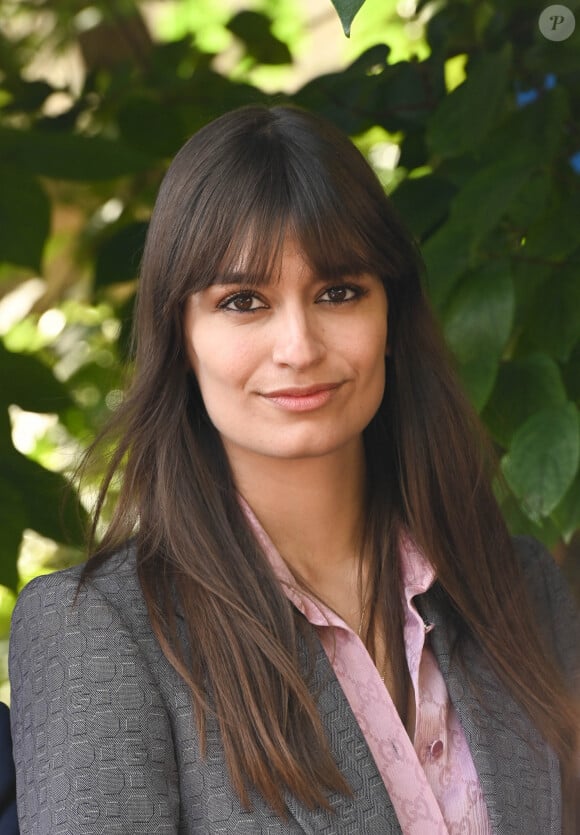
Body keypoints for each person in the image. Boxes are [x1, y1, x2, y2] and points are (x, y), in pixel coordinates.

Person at [9, 104, 579, 834]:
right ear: (180, 336)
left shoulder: (521, 588)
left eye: (338, 291)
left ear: (390, 317)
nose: (299, 345)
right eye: (243, 301)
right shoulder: (99, 630)